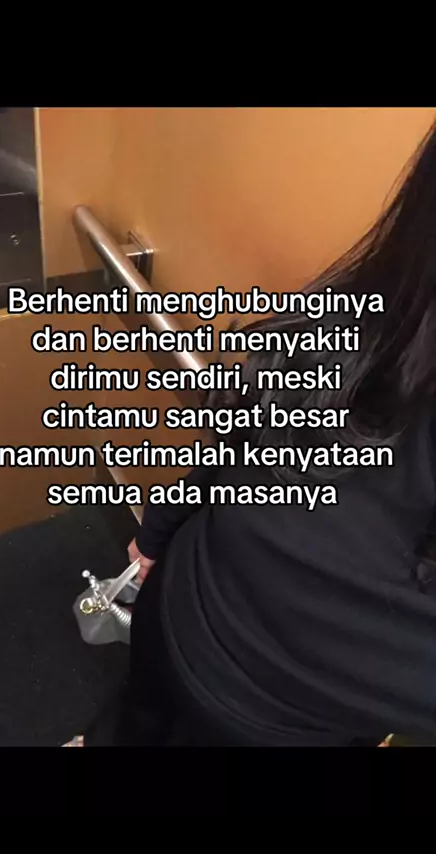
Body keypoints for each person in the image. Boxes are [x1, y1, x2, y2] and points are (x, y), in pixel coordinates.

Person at [120, 119, 436, 747]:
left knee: (135, 722)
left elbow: (235, 434)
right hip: (258, 697)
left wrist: (157, 532)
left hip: (184, 607)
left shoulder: (356, 313)